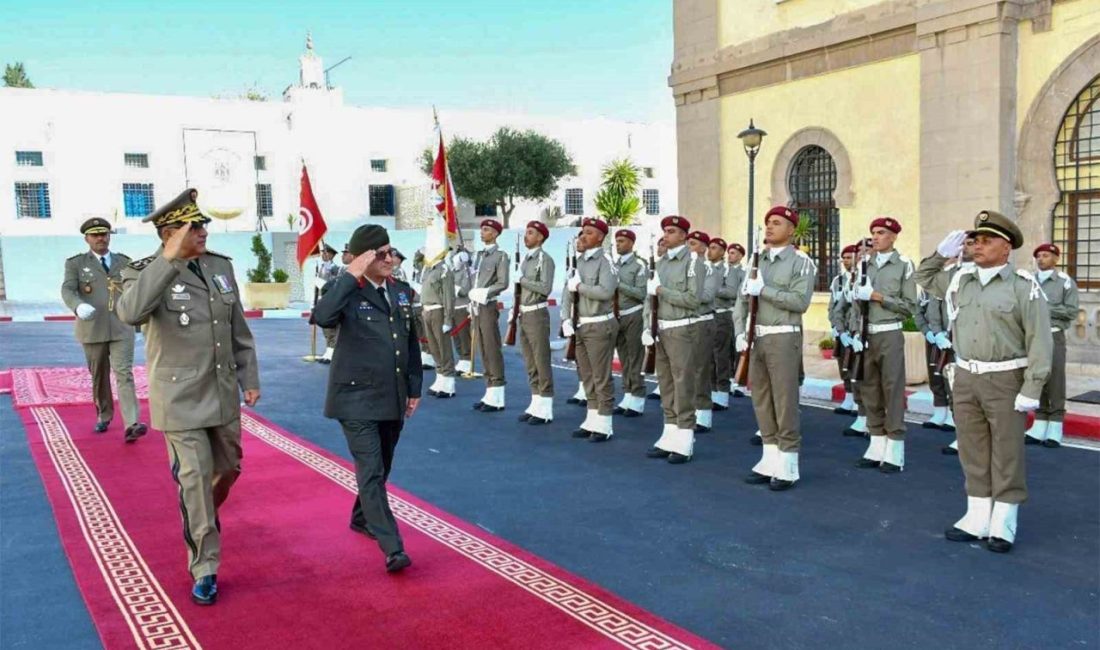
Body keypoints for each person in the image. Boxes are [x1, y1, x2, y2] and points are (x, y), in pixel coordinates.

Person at [116, 188, 260, 605]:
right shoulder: (143, 272)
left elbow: (238, 332)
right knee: (194, 481)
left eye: (203, 224)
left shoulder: (220, 267)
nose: (203, 231)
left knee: (229, 469)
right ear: (168, 233)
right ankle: (205, 566)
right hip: (178, 398)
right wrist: (169, 261)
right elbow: (130, 313)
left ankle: (199, 516)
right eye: (192, 226)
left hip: (221, 393)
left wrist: (249, 376)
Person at [916, 211, 1051, 553]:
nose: (977, 246)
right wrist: (941, 254)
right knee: (973, 449)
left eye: (986, 240)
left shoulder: (1023, 286)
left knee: (1006, 452)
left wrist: (1032, 387)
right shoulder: (960, 279)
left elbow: (1040, 341)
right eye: (974, 240)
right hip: (965, 376)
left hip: (1006, 378)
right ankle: (977, 516)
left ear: (1006, 248)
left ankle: (1004, 521)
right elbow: (923, 277)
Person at [312, 224, 420, 573]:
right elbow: (323, 316)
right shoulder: (345, 290)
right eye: (382, 254)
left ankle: (361, 517)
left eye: (391, 252)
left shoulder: (400, 292)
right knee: (371, 471)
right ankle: (393, 546)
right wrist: (350, 274)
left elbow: (410, 343)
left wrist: (414, 389)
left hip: (392, 395)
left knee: (383, 466)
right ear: (365, 258)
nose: (391, 259)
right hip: (356, 398)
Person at [735, 206, 815, 490]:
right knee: (762, 398)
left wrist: (764, 290)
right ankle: (769, 456)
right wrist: (739, 332)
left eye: (777, 223)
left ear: (791, 230)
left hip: (783, 336)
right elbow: (741, 302)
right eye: (767, 222)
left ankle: (789, 463)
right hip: (757, 337)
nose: (769, 227)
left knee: (784, 400)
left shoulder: (801, 262)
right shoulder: (758, 262)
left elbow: (799, 302)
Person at [61, 217, 147, 442]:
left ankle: (132, 423)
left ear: (109, 236)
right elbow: (68, 289)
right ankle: (104, 414)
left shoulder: (125, 262)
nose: (100, 238)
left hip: (121, 326)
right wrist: (78, 306)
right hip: (92, 327)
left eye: (104, 234)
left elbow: (135, 290)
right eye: (95, 235)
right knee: (99, 375)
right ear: (87, 238)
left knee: (124, 374)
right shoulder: (76, 264)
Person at [850, 218, 917, 473]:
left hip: (889, 332)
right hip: (867, 334)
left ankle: (895, 447)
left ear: (893, 237)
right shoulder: (864, 265)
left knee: (892, 389)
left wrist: (878, 297)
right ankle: (876, 441)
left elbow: (909, 306)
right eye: (873, 233)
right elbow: (856, 305)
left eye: (881, 233)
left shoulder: (903, 266)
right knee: (869, 389)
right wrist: (856, 331)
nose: (875, 237)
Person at [645, 216, 705, 463]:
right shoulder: (661, 263)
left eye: (671, 231)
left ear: (683, 235)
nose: (666, 235)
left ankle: (685, 436)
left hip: (682, 328)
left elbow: (693, 299)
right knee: (666, 382)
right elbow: (649, 300)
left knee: (683, 383)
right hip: (661, 329)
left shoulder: (693, 262)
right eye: (665, 231)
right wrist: (647, 326)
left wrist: (661, 291)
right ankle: (670, 431)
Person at [561, 218, 619, 441]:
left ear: (601, 237)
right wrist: (566, 318)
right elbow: (568, 292)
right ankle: (592, 417)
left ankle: (604, 422)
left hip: (599, 323)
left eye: (589, 233)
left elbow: (606, 291)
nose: (582, 236)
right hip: (581, 324)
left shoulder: (605, 261)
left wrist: (581, 287)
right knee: (586, 375)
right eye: (582, 232)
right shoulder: (579, 262)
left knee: (600, 375)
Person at [1025, 243, 1080, 448]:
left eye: (1046, 255)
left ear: (1056, 259)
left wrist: (1044, 308)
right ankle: (1039, 422)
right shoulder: (1028, 281)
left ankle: (1055, 424)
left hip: (1053, 335)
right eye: (1038, 256)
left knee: (1055, 379)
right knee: (1037, 377)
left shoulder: (1065, 282)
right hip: (1033, 337)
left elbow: (1071, 311)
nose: (1041, 259)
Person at [926, 236, 975, 453]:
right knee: (956, 390)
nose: (970, 248)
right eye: (966, 244)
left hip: (979, 345)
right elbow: (933, 305)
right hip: (951, 342)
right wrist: (937, 333)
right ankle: (963, 436)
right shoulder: (948, 277)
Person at [515, 221, 556, 425]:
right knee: (530, 361)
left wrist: (522, 280)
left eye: (530, 233)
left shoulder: (544, 259)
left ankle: (546, 406)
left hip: (537, 314)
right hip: (524, 313)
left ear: (540, 237)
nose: (526, 236)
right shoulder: (526, 260)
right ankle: (535, 401)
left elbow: (545, 288)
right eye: (526, 232)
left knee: (541, 359)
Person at [469, 219, 510, 412]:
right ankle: (490, 390)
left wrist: (485, 292)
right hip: (476, 305)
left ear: (495, 233)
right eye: (481, 229)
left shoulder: (500, 256)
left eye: (486, 230)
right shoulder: (478, 256)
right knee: (482, 348)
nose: (482, 232)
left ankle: (498, 390)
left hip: (487, 304)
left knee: (492, 348)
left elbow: (503, 283)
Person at [686, 230, 720, 433]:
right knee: (686, 370)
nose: (689, 247)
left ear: (703, 248)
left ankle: (703, 412)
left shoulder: (709, 269)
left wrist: (684, 295)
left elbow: (707, 295)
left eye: (693, 243)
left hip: (702, 321)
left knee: (700, 369)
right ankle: (688, 410)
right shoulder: (686, 267)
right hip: (685, 322)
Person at [612, 229, 648, 417]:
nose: (618, 244)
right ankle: (627, 393)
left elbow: (642, 293)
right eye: (617, 241)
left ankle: (638, 396)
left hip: (634, 314)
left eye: (622, 241)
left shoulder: (639, 264)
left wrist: (620, 284)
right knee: (624, 356)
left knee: (635, 356)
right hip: (618, 314)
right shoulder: (613, 264)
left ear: (631, 243)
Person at [420, 248, 457, 399]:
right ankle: (440, 377)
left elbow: (449, 296)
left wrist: (448, 319)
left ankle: (449, 382)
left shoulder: (444, 270)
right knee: (434, 347)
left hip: (438, 311)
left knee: (443, 346)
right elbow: (417, 260)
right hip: (427, 311)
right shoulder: (429, 269)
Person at [829, 244, 859, 417]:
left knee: (857, 366)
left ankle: (857, 399)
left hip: (855, 330)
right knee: (844, 365)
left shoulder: (859, 278)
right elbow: (832, 307)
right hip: (842, 330)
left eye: (850, 257)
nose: (846, 261)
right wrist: (835, 327)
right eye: (844, 258)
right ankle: (848, 398)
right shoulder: (838, 281)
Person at [710, 238, 737, 411]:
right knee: (709, 357)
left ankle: (722, 394)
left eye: (714, 248)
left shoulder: (729, 270)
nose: (710, 251)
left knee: (721, 356)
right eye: (710, 247)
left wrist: (712, 289)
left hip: (722, 315)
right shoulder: (706, 268)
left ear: (722, 251)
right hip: (708, 316)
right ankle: (712, 392)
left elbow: (732, 292)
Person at [646, 236, 668, 403]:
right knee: (661, 358)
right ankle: (661, 385)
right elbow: (648, 298)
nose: (661, 247)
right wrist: (648, 324)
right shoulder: (656, 268)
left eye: (663, 244)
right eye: (660, 244)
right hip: (657, 316)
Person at [724, 243, 747, 399]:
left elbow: (738, 294)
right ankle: (729, 379)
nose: (729, 255)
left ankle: (739, 383)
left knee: (737, 348)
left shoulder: (743, 272)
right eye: (729, 253)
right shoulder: (723, 271)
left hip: (736, 312)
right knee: (724, 350)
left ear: (740, 256)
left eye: (733, 253)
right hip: (722, 314)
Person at [315, 243, 342, 364]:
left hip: (330, 300)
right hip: (322, 300)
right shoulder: (320, 268)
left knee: (332, 329)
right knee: (325, 329)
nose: (323, 255)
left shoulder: (335, 269)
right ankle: (328, 351)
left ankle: (332, 352)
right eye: (322, 253)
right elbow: (317, 288)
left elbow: (336, 285)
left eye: (326, 253)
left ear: (331, 255)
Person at [450, 248, 475, 375]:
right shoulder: (452, 272)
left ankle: (466, 359)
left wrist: (453, 288)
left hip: (462, 307)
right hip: (452, 307)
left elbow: (464, 291)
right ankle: (461, 358)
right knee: (456, 336)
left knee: (463, 335)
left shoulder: (469, 272)